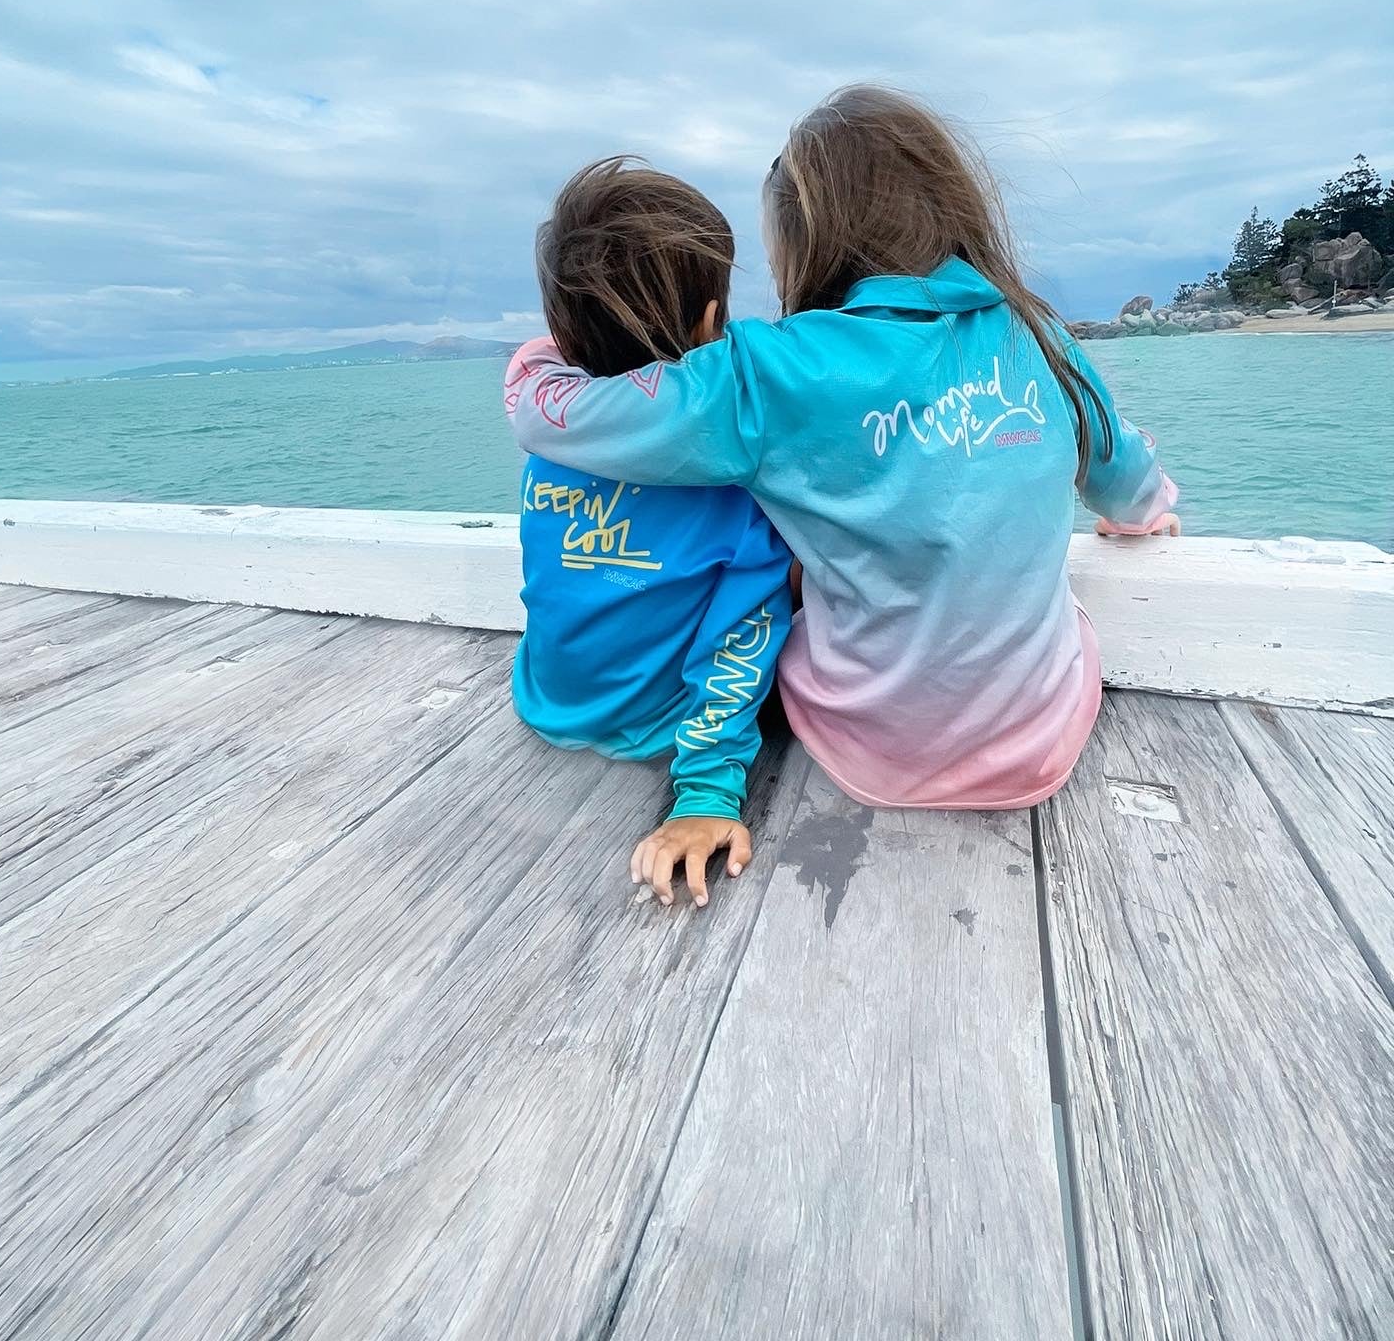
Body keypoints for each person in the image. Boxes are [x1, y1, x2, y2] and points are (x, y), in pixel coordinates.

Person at [504, 86, 1178, 821]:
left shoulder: (767, 369)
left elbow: (583, 419)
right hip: (1039, 741)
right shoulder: (1040, 337)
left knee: (779, 556)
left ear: (808, 238)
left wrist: (535, 369)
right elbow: (1121, 473)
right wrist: (1146, 513)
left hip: (861, 744)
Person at [507, 158, 792, 909]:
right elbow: (743, 637)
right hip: (652, 724)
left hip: (551, 695)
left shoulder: (549, 440)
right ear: (710, 323)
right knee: (787, 576)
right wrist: (705, 795)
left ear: (562, 331)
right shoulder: (732, 485)